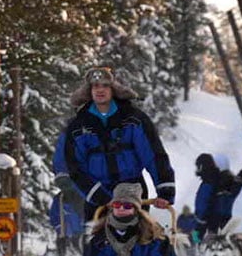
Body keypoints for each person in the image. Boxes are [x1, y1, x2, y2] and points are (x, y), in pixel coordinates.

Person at [55, 66, 176, 221]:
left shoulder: (134, 119)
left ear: (113, 88)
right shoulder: (78, 126)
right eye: (95, 86)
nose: (100, 90)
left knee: (140, 238)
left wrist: (164, 191)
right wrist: (98, 195)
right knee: (95, 241)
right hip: (98, 196)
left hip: (133, 191)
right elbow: (75, 167)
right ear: (89, 90)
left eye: (105, 85)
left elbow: (153, 155)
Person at [79, 182, 182, 256]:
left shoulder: (156, 241)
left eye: (127, 206)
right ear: (112, 207)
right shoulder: (98, 241)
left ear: (136, 209)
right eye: (117, 205)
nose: (121, 208)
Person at [193, 153, 240, 241]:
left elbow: (202, 204)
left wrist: (198, 225)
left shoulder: (208, 182)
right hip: (225, 221)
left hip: (209, 224)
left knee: (197, 241)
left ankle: (195, 250)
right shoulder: (223, 179)